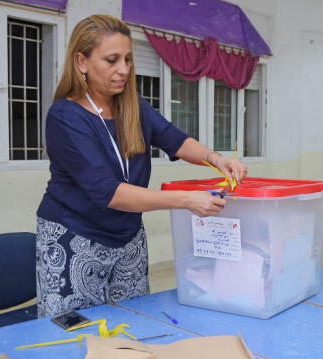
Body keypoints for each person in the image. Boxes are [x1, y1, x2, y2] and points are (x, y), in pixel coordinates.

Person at [35, 15, 247, 318]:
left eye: (128, 59)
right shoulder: (66, 116)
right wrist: (186, 199)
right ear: (81, 61)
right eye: (111, 60)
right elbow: (109, 193)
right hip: (75, 237)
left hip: (128, 235)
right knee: (76, 332)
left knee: (132, 321)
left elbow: (175, 140)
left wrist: (217, 160)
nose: (123, 69)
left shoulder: (132, 104)